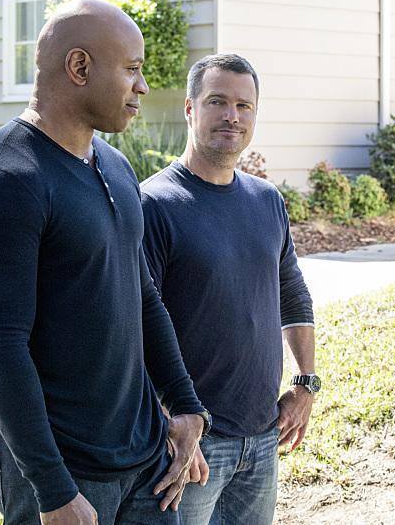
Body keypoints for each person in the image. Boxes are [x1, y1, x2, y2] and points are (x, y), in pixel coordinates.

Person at [0, 0, 210, 524]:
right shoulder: (4, 181)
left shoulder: (114, 164)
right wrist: (52, 490)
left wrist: (184, 405)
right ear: (79, 67)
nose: (142, 86)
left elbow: (141, 293)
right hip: (59, 463)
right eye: (132, 69)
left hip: (142, 450)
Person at [139, 53, 316, 525]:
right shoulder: (154, 204)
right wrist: (172, 421)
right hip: (192, 442)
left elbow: (292, 292)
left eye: (244, 105)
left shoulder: (266, 200)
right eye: (217, 101)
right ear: (190, 108)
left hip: (263, 435)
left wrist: (305, 382)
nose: (232, 116)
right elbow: (136, 324)